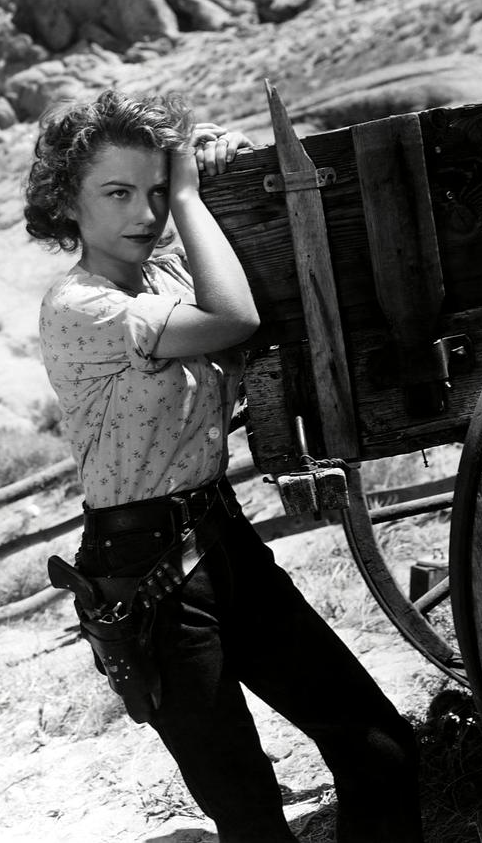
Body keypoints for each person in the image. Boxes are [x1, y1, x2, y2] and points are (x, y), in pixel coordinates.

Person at [26, 89, 424, 843]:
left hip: (222, 538)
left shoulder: (163, 280)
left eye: (154, 191)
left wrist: (220, 163)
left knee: (380, 748)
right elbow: (234, 319)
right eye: (118, 193)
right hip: (145, 572)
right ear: (66, 203)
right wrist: (184, 194)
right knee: (249, 816)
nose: (145, 213)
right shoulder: (81, 306)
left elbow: (238, 269)